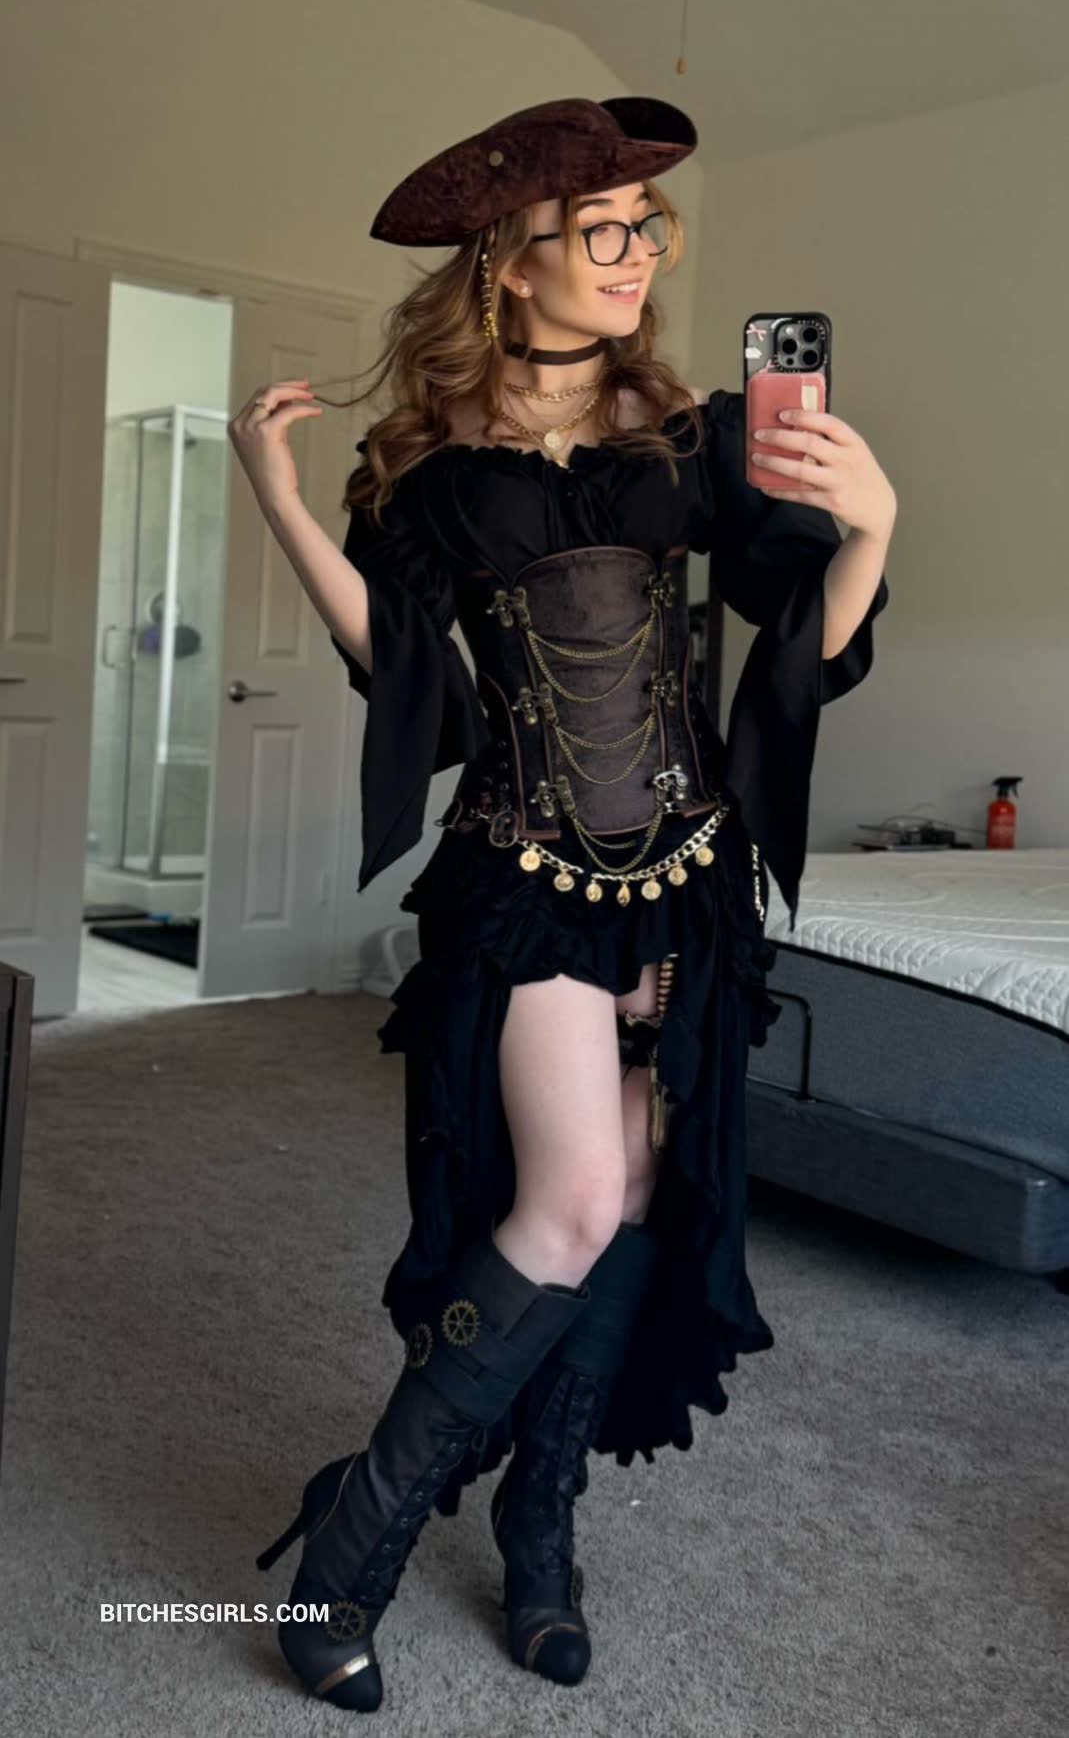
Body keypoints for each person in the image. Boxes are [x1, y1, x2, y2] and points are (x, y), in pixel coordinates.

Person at [228, 96, 895, 1712]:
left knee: (640, 1201)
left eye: (643, 225)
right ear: (505, 261)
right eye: (598, 227)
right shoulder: (428, 468)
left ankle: (543, 1530)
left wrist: (867, 527)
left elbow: (799, 634)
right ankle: (352, 1546)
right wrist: (281, 501)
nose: (635, 252)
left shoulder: (693, 434)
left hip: (684, 879)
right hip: (524, 874)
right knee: (574, 1194)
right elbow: (410, 678)